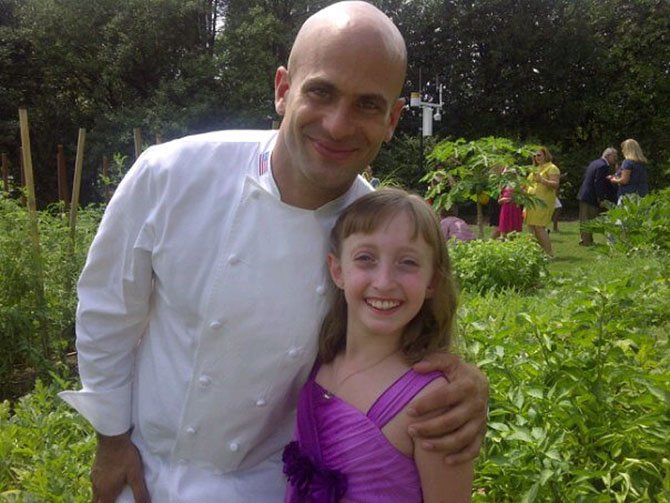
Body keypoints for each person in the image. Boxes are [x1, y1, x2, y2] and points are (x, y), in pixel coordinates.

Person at [58, 2, 488, 502]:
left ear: (393, 119)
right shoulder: (170, 174)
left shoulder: (373, 237)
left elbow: (411, 333)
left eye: (368, 105)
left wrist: (465, 384)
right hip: (144, 469)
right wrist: (110, 440)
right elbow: (108, 311)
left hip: (265, 484)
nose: (337, 124)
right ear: (283, 89)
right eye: (321, 92)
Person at [283, 188, 473, 502]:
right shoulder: (319, 359)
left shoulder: (433, 402)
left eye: (408, 262)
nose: (384, 281)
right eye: (366, 258)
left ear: (432, 282)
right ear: (337, 270)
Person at [577, 147, 618, 245]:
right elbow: (598, 183)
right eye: (614, 156)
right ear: (608, 155)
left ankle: (586, 240)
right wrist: (601, 198)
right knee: (588, 219)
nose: (616, 158)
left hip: (585, 194)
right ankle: (586, 242)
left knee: (585, 218)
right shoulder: (603, 166)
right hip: (590, 196)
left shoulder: (595, 163)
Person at [524, 147, 560, 256]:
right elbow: (528, 185)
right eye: (534, 155)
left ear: (545, 155)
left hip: (543, 202)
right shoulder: (535, 168)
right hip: (531, 202)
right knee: (531, 227)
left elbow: (555, 184)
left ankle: (549, 253)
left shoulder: (552, 168)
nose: (536, 157)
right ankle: (537, 253)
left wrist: (543, 180)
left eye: (539, 155)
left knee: (539, 227)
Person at [497, 168, 523, 236]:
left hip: (515, 209)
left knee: (515, 231)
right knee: (503, 230)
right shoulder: (503, 186)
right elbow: (499, 201)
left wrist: (514, 199)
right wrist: (503, 200)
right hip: (505, 209)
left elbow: (522, 199)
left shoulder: (518, 185)